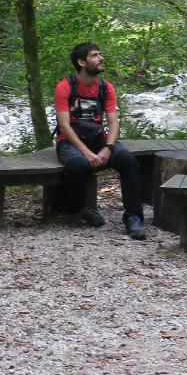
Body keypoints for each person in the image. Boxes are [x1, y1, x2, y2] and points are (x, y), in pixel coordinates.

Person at [55, 42, 145, 238]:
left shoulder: (106, 87)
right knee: (78, 165)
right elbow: (64, 126)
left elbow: (113, 122)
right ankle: (80, 209)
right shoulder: (65, 86)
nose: (101, 58)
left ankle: (133, 217)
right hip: (70, 140)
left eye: (100, 54)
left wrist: (108, 148)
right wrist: (86, 153)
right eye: (95, 55)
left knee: (128, 161)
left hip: (98, 139)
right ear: (81, 62)